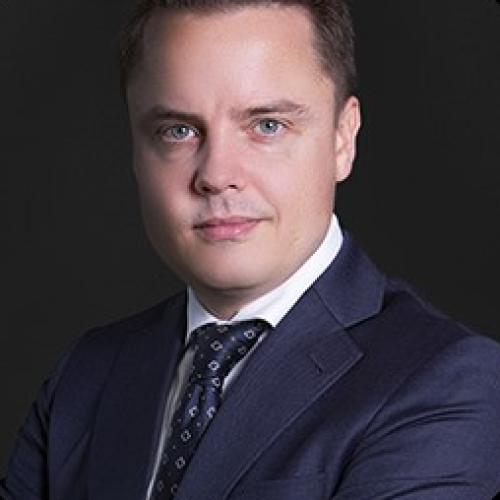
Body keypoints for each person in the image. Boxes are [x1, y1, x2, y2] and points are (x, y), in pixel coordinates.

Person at [2, 0, 500, 498]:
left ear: (342, 139)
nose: (217, 175)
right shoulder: (86, 374)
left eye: (267, 125)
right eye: (178, 131)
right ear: (135, 148)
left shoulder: (445, 381)